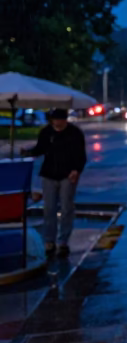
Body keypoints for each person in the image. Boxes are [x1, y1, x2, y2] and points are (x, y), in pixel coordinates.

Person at [22, 108, 86, 257]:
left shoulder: (74, 133)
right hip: (49, 174)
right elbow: (40, 149)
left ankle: (63, 241)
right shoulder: (46, 132)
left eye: (59, 121)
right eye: (54, 121)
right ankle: (49, 240)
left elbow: (80, 154)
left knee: (66, 207)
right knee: (49, 208)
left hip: (67, 174)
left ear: (65, 120)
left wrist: (76, 170)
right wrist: (28, 152)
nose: (57, 123)